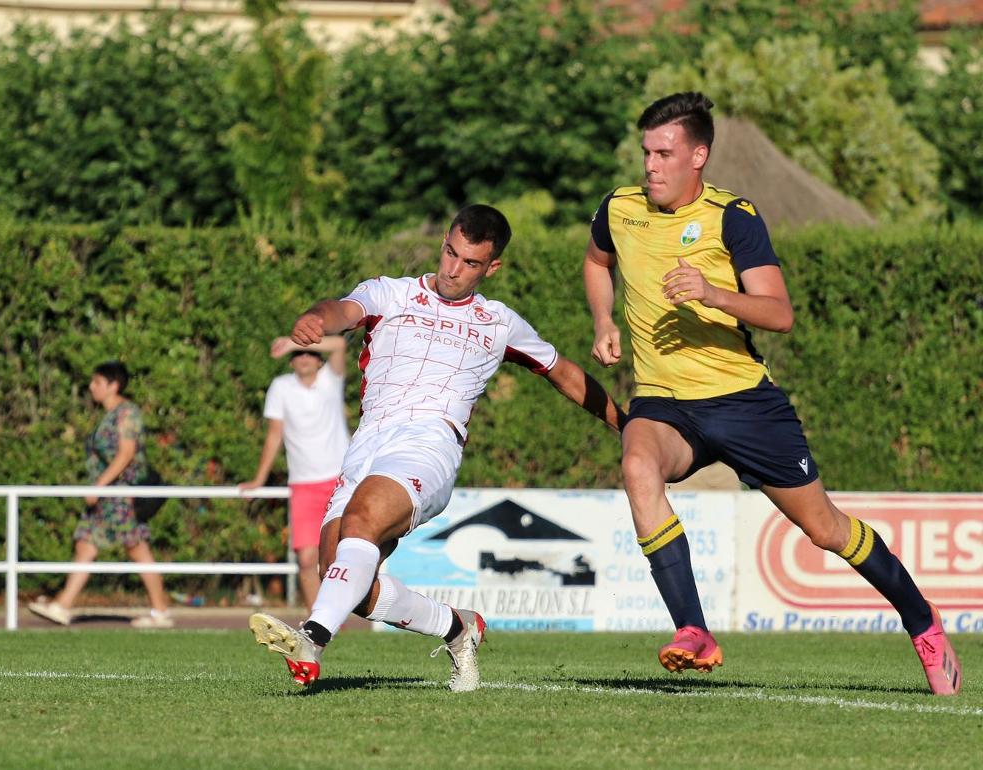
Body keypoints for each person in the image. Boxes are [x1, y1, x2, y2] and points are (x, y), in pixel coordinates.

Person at [582, 92, 961, 694]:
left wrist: (713, 293)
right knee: (636, 462)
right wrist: (604, 322)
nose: (650, 165)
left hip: (742, 404)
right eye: (646, 152)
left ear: (698, 155)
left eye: (664, 152)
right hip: (663, 400)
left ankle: (923, 621)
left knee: (827, 529)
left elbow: (779, 313)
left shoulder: (734, 216)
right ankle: (694, 631)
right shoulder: (620, 208)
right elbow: (597, 262)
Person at [249, 204, 626, 691]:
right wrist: (313, 319)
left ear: (492, 268)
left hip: (429, 445)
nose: (453, 268)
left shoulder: (498, 322)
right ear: (443, 241)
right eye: (450, 252)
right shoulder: (390, 292)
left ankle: (313, 638)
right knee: (343, 581)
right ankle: (458, 627)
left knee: (360, 524)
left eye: (469, 262)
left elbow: (565, 374)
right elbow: (341, 310)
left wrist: (627, 424)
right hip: (367, 446)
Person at [29, 361, 174, 629]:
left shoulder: (127, 413)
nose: (91, 387)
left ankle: (161, 611)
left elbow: (126, 454)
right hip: (109, 495)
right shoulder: (109, 415)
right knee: (86, 544)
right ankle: (62, 606)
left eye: (97, 382)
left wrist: (99, 485)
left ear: (113, 385)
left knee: (137, 548)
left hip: (122, 495)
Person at [238, 335, 349, 608]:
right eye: (298, 354)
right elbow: (274, 435)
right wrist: (259, 479)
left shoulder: (330, 378)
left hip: (342, 480)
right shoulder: (281, 386)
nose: (303, 357)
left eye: (308, 352)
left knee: (344, 556)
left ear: (318, 358)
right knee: (307, 560)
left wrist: (292, 341)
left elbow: (339, 345)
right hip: (303, 484)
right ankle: (319, 624)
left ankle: (343, 616)